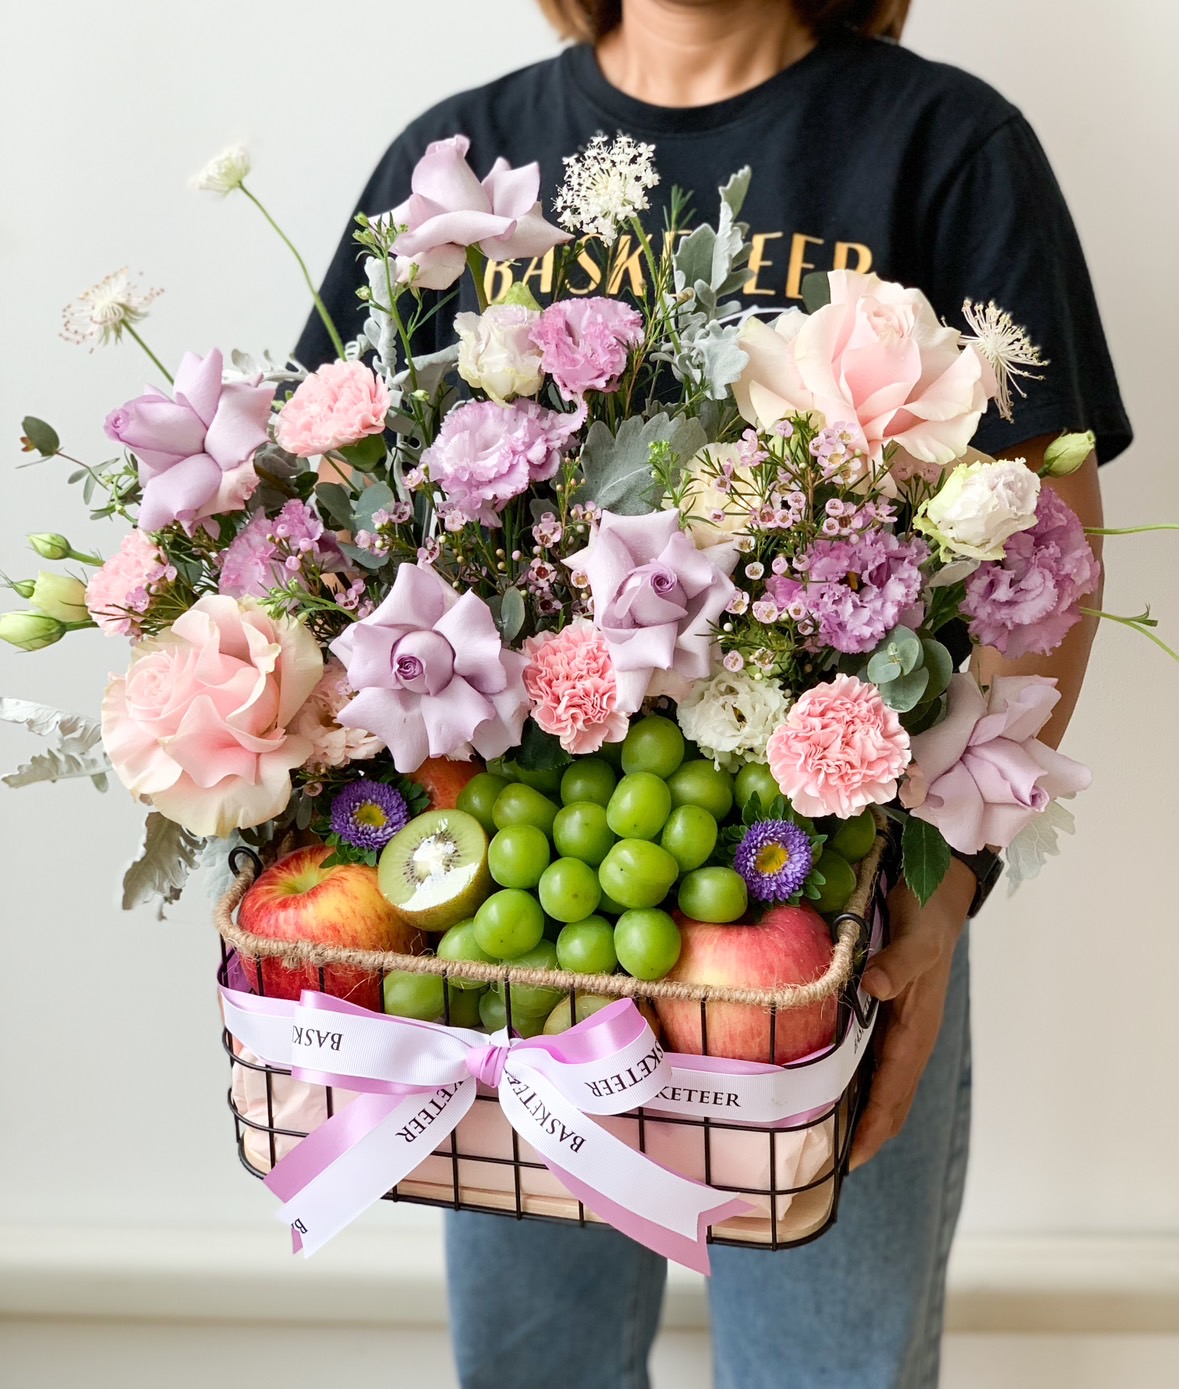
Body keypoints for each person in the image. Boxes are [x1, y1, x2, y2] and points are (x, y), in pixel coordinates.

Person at [295, 3, 1130, 1384]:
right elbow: (329, 514)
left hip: (828, 921)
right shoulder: (461, 164)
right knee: (531, 1365)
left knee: (829, 1369)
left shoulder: (946, 147)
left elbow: (1047, 548)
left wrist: (951, 884)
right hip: (521, 922)